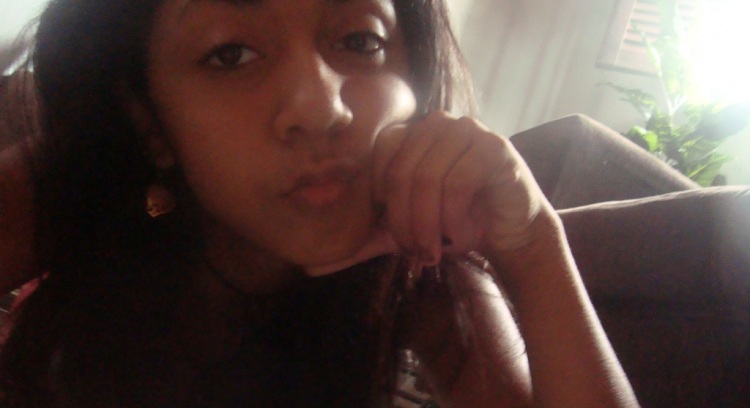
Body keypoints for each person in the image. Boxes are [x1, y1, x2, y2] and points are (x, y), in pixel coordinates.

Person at [0, 0, 640, 406]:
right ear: (149, 124)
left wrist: (534, 243)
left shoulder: (420, 262)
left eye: (359, 41)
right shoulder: (60, 191)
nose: (322, 108)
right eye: (231, 54)